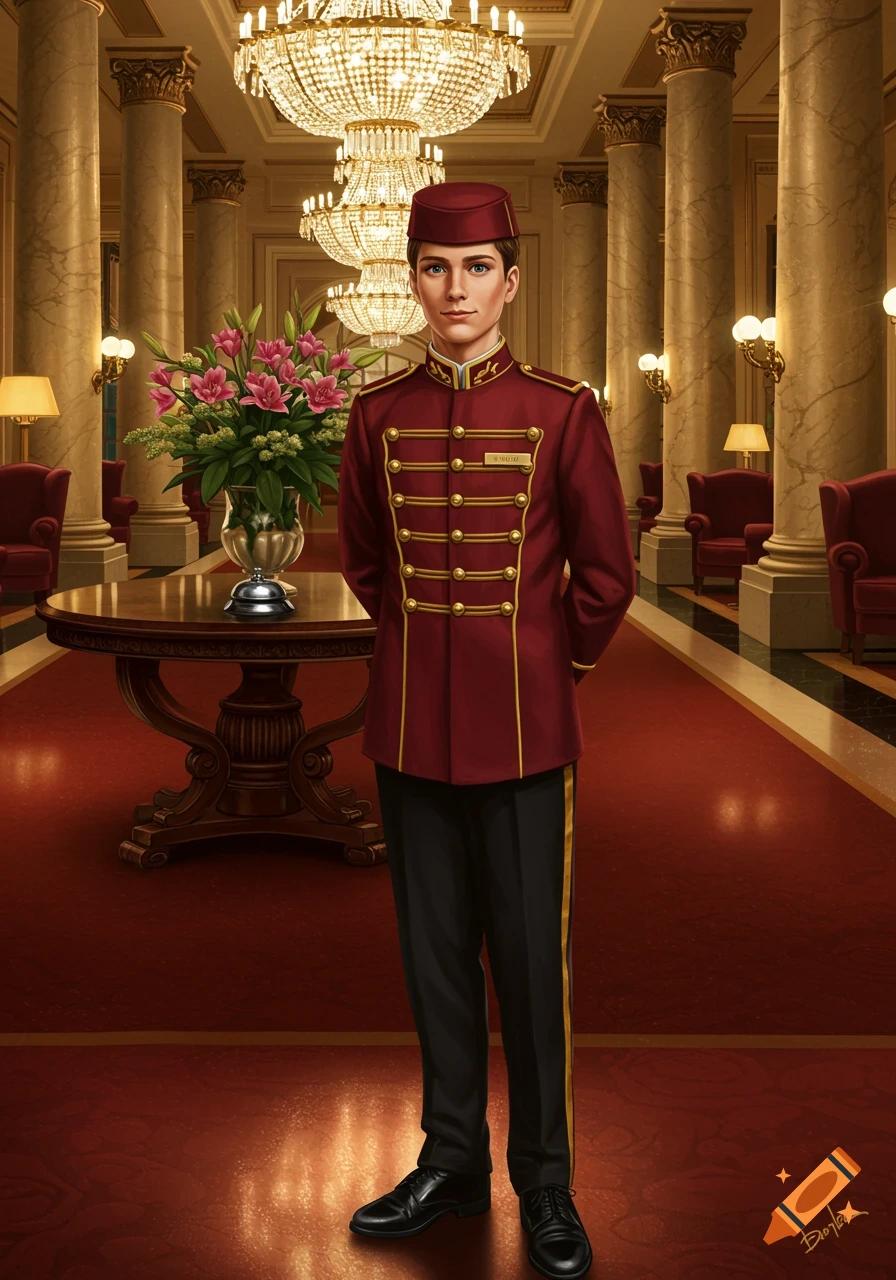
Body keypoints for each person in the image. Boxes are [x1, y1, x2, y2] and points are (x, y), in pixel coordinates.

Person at [337, 181, 636, 1280]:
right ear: (411, 278)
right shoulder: (373, 415)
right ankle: (451, 1161)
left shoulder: (563, 411)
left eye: (472, 269)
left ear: (510, 280)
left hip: (524, 736)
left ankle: (544, 1180)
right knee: (433, 963)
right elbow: (370, 567)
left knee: (527, 965)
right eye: (432, 267)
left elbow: (605, 577)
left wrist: (542, 672)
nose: (451, 289)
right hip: (409, 729)